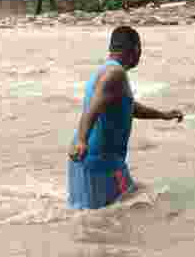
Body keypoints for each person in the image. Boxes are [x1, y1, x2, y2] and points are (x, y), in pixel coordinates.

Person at [67, 26, 184, 209]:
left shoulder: (109, 71)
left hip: (101, 160)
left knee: (126, 206)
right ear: (136, 49)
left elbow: (129, 107)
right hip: (98, 161)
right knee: (102, 220)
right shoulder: (115, 74)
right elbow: (93, 108)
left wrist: (163, 115)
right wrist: (82, 140)